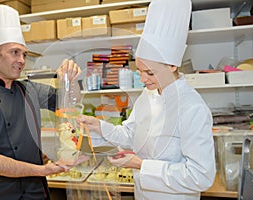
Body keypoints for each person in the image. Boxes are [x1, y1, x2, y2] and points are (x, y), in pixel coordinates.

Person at [77, 0, 216, 199]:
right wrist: (98, 126)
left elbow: (201, 176)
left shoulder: (192, 108)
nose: (142, 79)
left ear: (172, 66)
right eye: (140, 71)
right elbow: (129, 133)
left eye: (150, 72)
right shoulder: (149, 94)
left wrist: (141, 165)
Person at [0, 5, 81, 200]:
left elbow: (69, 102)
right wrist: (42, 170)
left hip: (36, 192)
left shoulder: (28, 89)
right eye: (14, 52)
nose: (21, 60)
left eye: (24, 54)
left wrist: (70, 80)